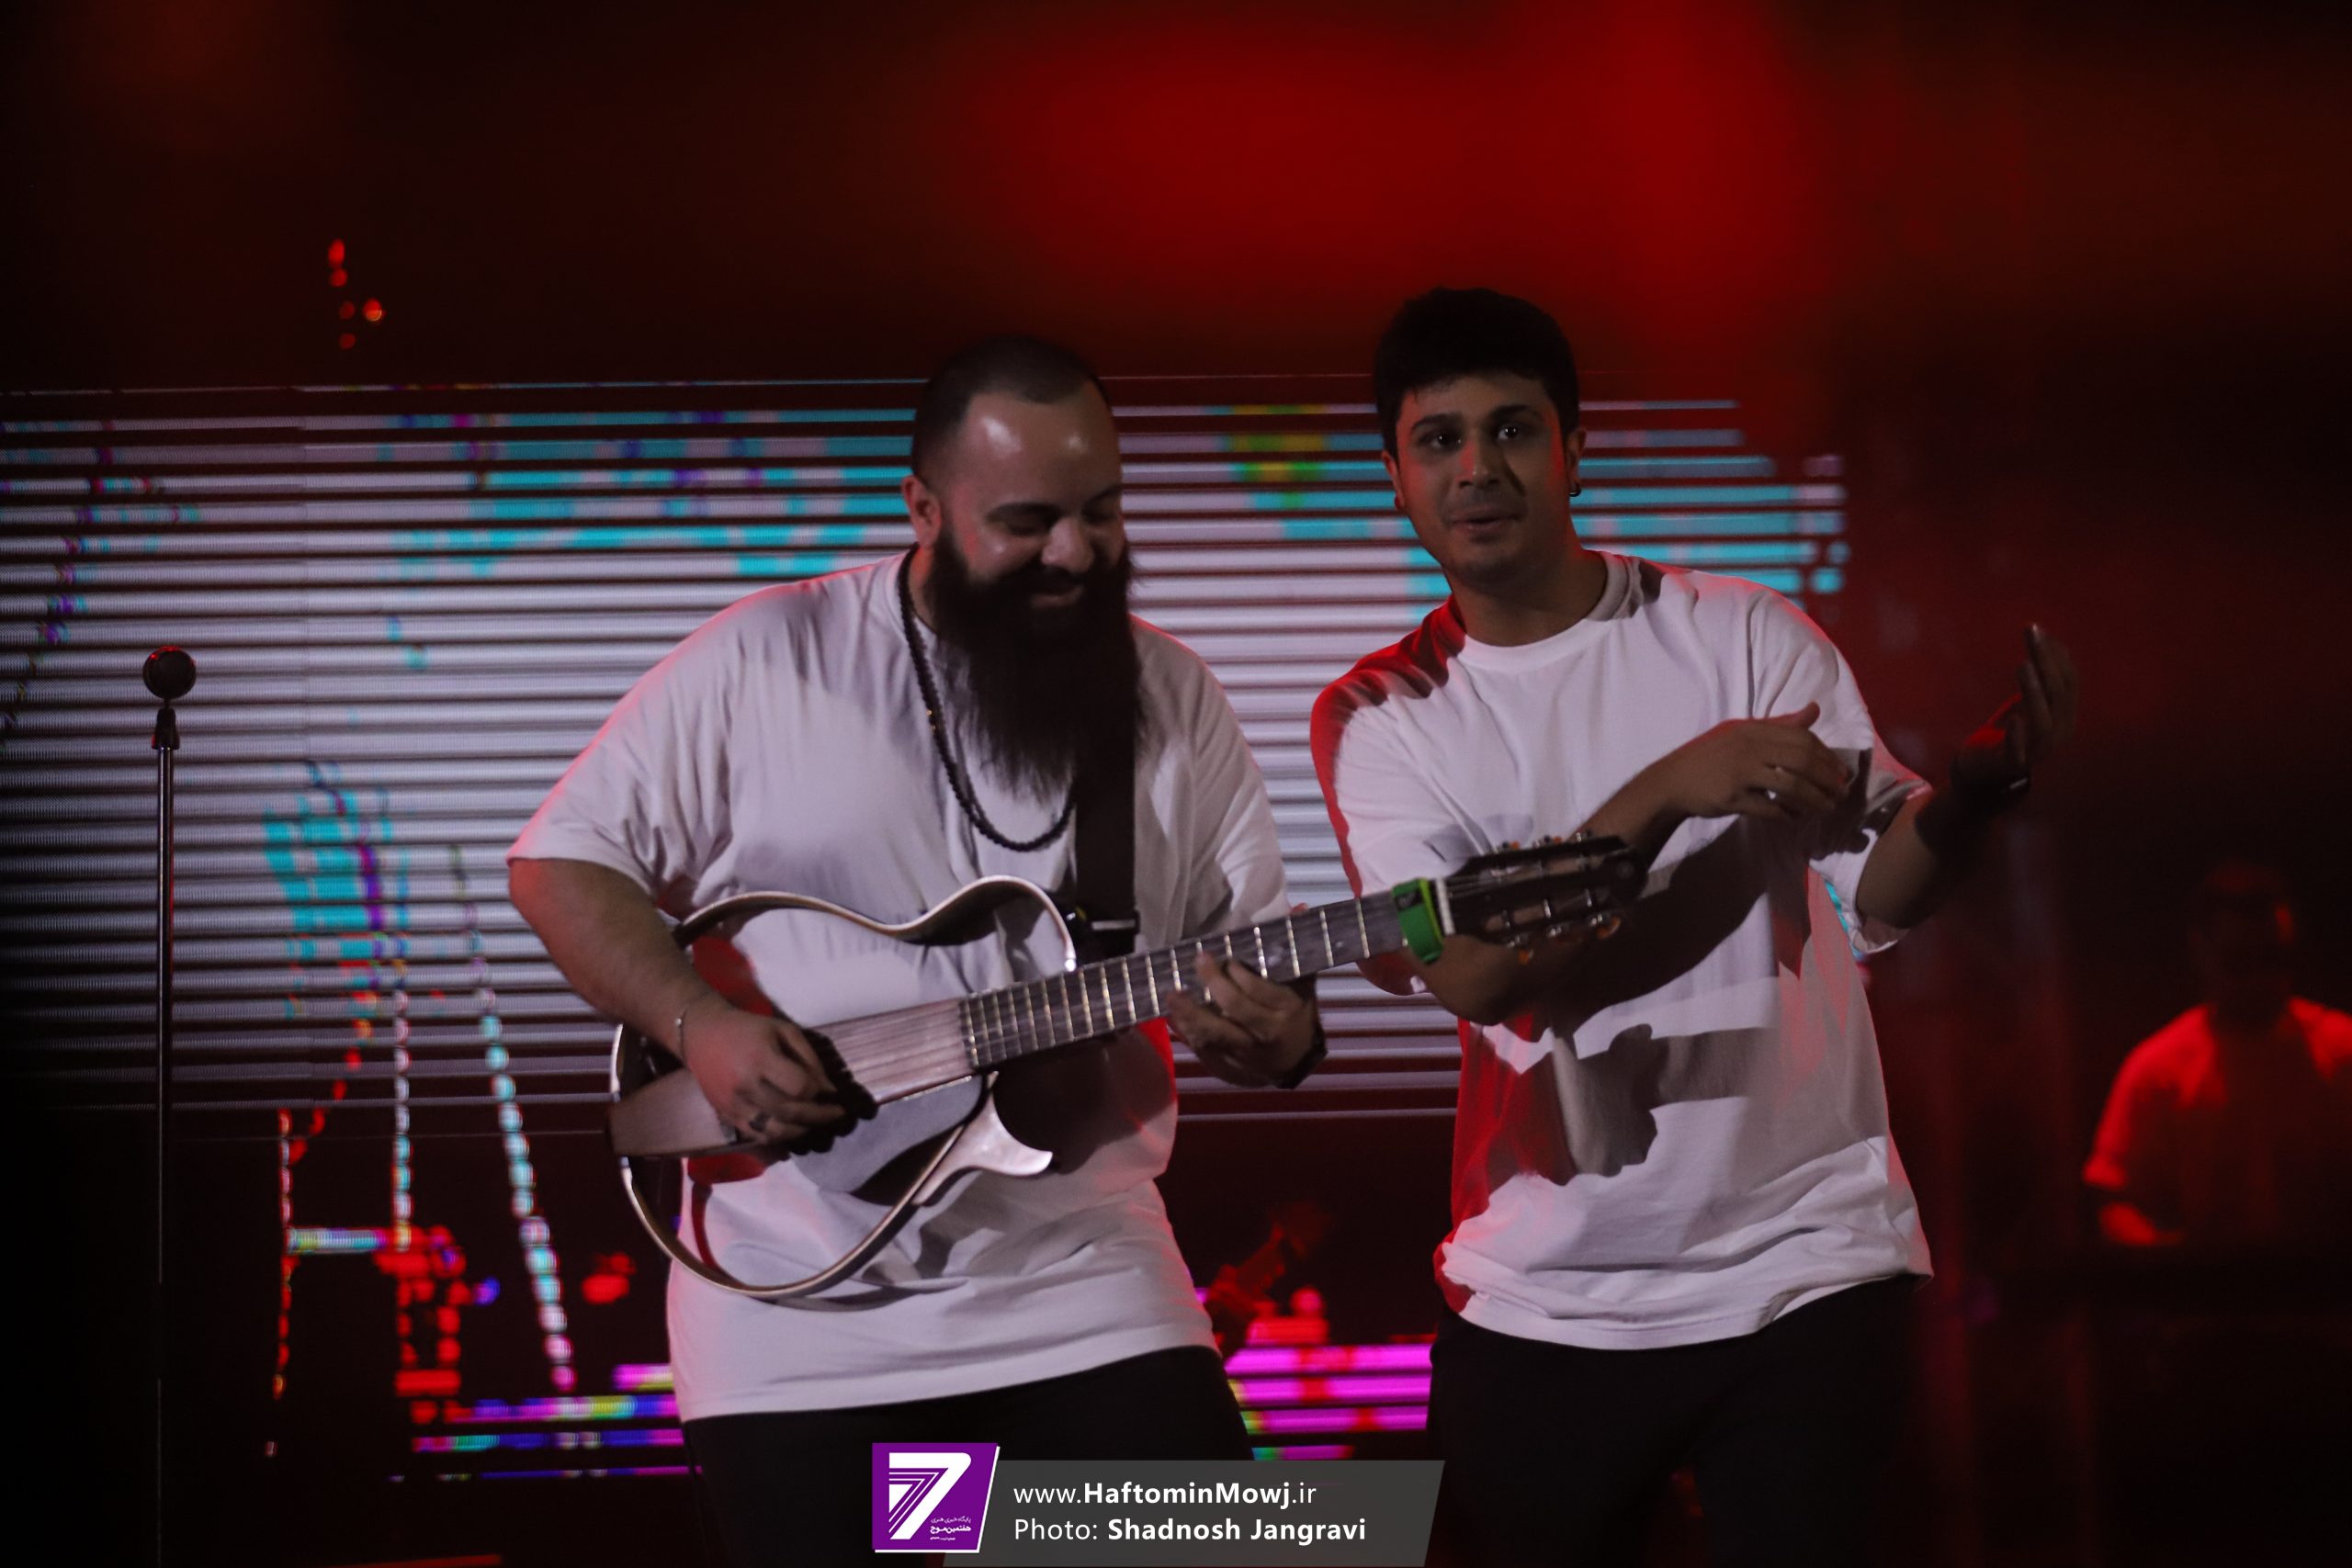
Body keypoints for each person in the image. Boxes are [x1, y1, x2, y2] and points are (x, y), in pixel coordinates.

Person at [508, 335, 1322, 1563]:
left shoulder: (1172, 693)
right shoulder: (767, 658)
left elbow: (1253, 971)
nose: (1075, 552)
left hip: (1087, 1288)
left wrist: (1277, 1036)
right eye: (1026, 522)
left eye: (1102, 511)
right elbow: (560, 865)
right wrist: (704, 1028)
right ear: (922, 508)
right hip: (801, 1329)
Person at [1311, 287, 2078, 1567]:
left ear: (1574, 450)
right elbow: (1476, 973)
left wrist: (1973, 794)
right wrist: (1669, 789)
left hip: (1805, 1262)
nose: (1477, 468)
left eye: (1512, 430)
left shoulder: (1742, 631)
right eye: (1438, 439)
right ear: (1394, 478)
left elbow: (1880, 889)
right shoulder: (1382, 712)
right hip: (1547, 1292)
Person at [2086, 862, 2352, 1252]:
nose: (2261, 979)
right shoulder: (2158, 1069)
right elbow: (2114, 1198)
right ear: (2201, 951)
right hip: (2206, 1289)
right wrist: (2168, 1261)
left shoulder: (2344, 1052)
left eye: (2275, 959)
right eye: (2241, 961)